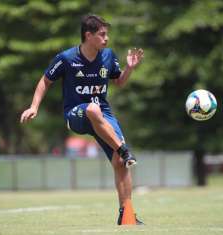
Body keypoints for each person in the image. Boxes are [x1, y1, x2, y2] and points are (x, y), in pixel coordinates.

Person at [20, 14, 144, 225]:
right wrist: (34, 106)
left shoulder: (108, 56)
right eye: (102, 34)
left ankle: (127, 214)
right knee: (94, 110)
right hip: (76, 114)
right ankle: (123, 148)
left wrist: (129, 69)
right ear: (88, 35)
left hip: (102, 114)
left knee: (120, 162)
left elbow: (119, 82)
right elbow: (45, 81)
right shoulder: (66, 58)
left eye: (107, 34)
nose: (106, 39)